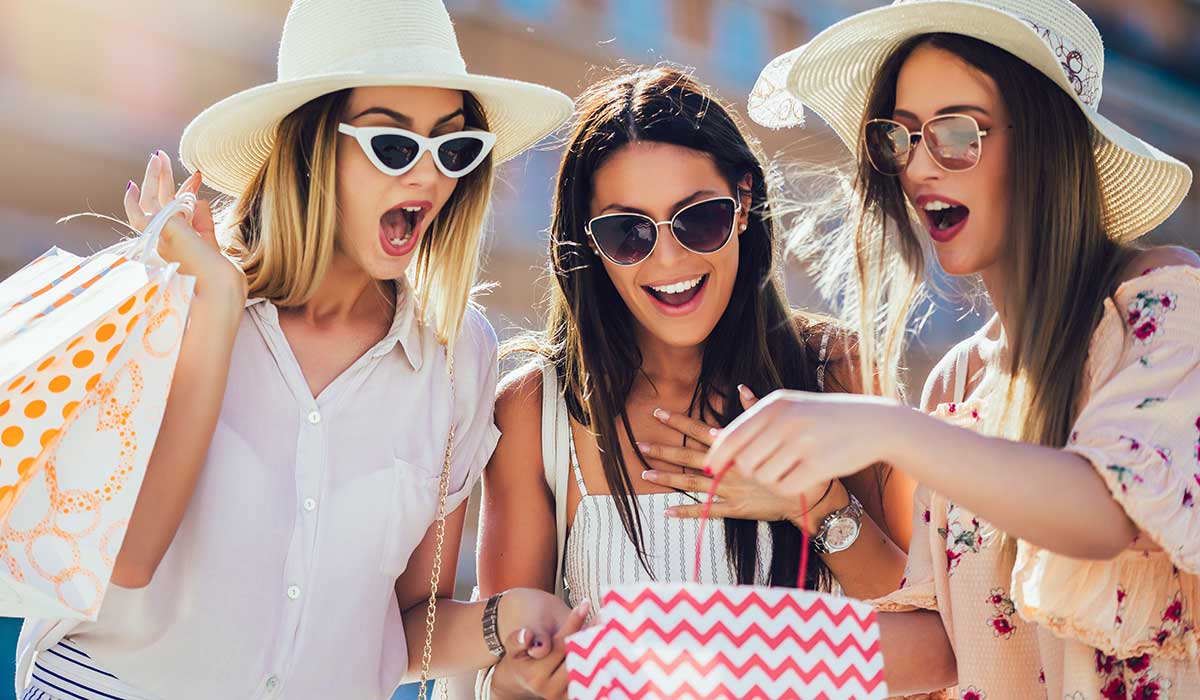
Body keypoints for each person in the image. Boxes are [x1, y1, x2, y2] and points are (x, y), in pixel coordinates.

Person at [16, 1, 579, 698]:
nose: (431, 179)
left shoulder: (459, 360)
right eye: (394, 146)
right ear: (310, 147)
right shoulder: (169, 296)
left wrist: (507, 619)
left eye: (454, 149)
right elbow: (124, 562)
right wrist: (215, 311)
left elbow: (403, 630)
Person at [726, 0, 1199, 697]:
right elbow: (940, 649)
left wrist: (882, 428)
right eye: (901, 137)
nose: (918, 167)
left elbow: (1106, 509)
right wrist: (729, 650)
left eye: (955, 132)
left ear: (1042, 140)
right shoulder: (957, 381)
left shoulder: (1163, 300)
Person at [474, 66, 916, 700]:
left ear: (741, 206)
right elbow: (503, 675)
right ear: (589, 244)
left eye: (698, 219)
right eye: (628, 233)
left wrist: (814, 503)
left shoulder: (841, 374)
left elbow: (926, 633)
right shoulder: (533, 412)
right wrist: (524, 679)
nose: (669, 260)